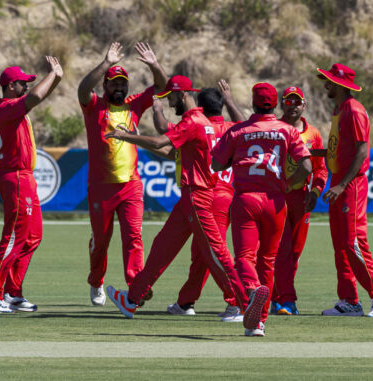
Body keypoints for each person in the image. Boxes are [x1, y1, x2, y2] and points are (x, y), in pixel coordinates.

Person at [104, 75, 267, 332]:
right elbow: (171, 150)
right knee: (162, 247)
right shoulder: (205, 123)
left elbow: (160, 141)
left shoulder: (193, 122)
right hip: (193, 195)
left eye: (171, 98)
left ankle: (246, 307)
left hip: (199, 195)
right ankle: (132, 299)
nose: (170, 104)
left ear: (182, 95)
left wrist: (126, 137)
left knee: (216, 253)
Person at [212, 82, 312, 336]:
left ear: (254, 103)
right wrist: (289, 184)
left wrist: (235, 158)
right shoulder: (287, 130)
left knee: (245, 257)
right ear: (275, 104)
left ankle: (253, 289)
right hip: (276, 200)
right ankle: (259, 323)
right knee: (268, 260)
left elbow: (216, 163)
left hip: (246, 198)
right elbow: (307, 166)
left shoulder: (238, 131)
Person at [78, 42, 168, 306]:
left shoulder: (134, 106)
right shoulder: (94, 106)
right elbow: (83, 88)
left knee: (134, 237)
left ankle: (135, 286)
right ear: (105, 86)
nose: (119, 88)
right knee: (101, 243)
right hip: (101, 186)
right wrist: (106, 63)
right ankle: (96, 281)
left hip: (130, 185)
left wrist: (154, 65)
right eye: (113, 83)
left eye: (122, 83)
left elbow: (163, 87)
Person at [0, 57, 63, 313]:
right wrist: (52, 74)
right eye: (22, 83)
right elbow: (35, 97)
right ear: (11, 86)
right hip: (14, 177)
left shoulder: (14, 107)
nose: (26, 86)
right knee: (14, 237)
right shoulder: (6, 107)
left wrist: (56, 77)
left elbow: (38, 96)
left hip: (24, 177)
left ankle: (13, 292)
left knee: (33, 236)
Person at [315, 63, 373, 318]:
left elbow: (362, 150)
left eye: (328, 81)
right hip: (339, 180)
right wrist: (313, 153)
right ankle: (349, 300)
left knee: (353, 242)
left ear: (340, 85)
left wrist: (341, 184)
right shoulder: (339, 108)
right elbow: (341, 148)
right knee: (340, 244)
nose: (325, 84)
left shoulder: (354, 110)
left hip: (351, 184)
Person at [165, 83, 241, 318]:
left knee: (213, 253)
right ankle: (186, 301)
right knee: (202, 253)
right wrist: (229, 100)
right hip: (226, 195)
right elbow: (243, 125)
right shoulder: (231, 128)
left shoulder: (201, 125)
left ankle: (236, 301)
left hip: (208, 194)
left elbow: (166, 137)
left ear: (200, 107)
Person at [270, 86, 328, 315]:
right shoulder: (275, 129)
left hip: (301, 198)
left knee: (294, 253)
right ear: (282, 104)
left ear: (304, 105)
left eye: (297, 102)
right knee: (281, 251)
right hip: (278, 196)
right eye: (288, 101)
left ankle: (277, 297)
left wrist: (315, 193)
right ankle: (287, 301)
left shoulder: (312, 133)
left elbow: (320, 169)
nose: (292, 106)